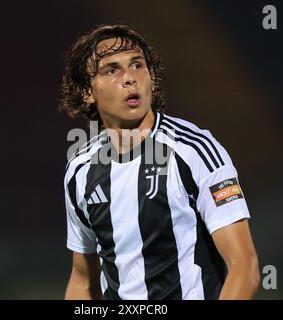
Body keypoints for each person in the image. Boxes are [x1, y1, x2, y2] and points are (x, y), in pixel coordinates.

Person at [59, 24, 260, 300]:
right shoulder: (80, 170)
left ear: (152, 78)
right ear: (86, 91)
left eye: (138, 65)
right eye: (112, 70)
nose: (130, 78)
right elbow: (83, 281)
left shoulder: (194, 151)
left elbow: (244, 268)